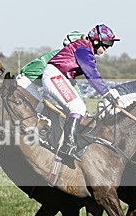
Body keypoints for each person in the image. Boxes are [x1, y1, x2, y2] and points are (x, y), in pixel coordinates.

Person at [42, 24, 119, 159]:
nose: (107, 49)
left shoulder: (85, 48)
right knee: (78, 108)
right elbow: (92, 74)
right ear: (96, 41)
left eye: (109, 45)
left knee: (79, 110)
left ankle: (65, 142)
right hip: (55, 75)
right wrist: (106, 93)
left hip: (59, 76)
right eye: (106, 45)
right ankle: (68, 146)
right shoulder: (84, 49)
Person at [16, 30, 85, 100]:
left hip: (31, 83)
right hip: (27, 83)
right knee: (40, 106)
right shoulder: (63, 57)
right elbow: (72, 83)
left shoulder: (67, 57)